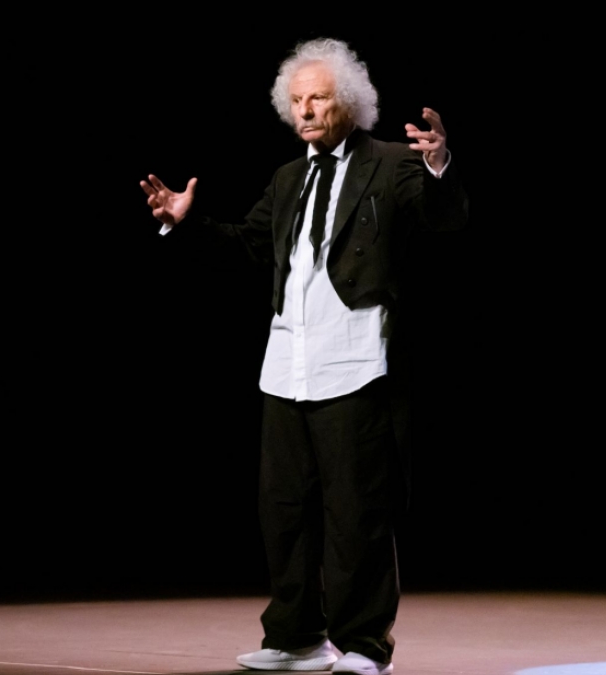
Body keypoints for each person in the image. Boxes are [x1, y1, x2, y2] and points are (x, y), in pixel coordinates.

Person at [140, 39, 467, 675]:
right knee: (284, 511)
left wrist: (439, 165)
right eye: (295, 101)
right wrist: (186, 223)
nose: (306, 110)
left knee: (356, 514)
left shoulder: (391, 163)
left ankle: (364, 644)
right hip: (286, 364)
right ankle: (295, 638)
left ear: (349, 101)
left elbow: (445, 218)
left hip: (355, 361)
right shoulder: (289, 177)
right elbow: (247, 246)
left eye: (318, 97)